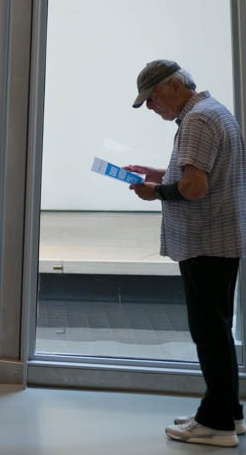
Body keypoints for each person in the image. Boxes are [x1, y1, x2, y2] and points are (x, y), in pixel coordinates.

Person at [127, 59, 246, 448]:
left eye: (152, 98)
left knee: (209, 333)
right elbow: (201, 174)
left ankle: (215, 424)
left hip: (205, 241)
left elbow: (195, 188)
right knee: (217, 330)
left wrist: (155, 192)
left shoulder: (197, 120)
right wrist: (158, 174)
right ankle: (229, 412)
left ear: (174, 86)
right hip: (220, 240)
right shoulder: (214, 112)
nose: (150, 107)